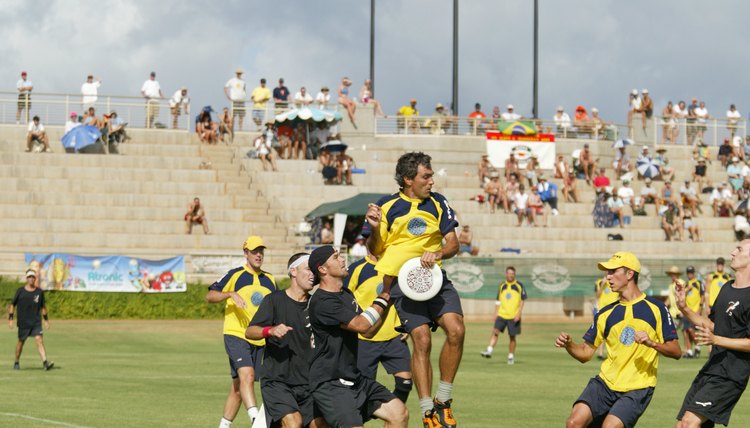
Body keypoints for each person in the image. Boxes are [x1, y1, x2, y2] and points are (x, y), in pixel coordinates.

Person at [365, 152, 463, 428]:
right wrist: (374, 229)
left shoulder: (438, 202)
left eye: (431, 176)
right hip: (400, 283)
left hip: (433, 278)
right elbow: (375, 250)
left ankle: (443, 402)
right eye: (426, 176)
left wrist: (438, 251)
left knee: (456, 330)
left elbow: (453, 245)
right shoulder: (386, 206)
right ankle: (427, 411)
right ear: (408, 179)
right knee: (421, 339)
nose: (432, 181)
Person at [555, 251, 680, 428]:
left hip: (637, 388)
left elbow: (676, 351)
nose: (608, 277)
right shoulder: (605, 313)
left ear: (630, 274)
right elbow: (585, 353)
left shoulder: (656, 309)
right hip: (605, 383)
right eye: (607, 272)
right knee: (573, 423)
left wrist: (651, 343)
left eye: (613, 271)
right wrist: (569, 344)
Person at [307, 246, 409, 428]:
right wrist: (385, 294)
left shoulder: (345, 295)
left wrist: (389, 301)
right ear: (322, 269)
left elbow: (368, 331)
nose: (342, 259)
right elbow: (362, 324)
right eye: (336, 257)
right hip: (332, 383)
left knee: (399, 413)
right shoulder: (322, 301)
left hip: (355, 378)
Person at [245, 253, 328, 428]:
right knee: (293, 422)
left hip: (309, 384)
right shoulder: (274, 300)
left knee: (320, 424)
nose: (313, 274)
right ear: (293, 271)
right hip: (277, 381)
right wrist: (270, 330)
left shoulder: (317, 306)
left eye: (314, 270)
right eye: (308, 269)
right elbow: (250, 331)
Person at [674, 240, 750, 427]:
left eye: (739, 249)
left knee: (688, 423)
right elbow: (712, 325)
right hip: (711, 368)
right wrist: (684, 308)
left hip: (731, 375)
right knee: (681, 424)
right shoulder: (726, 288)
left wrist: (716, 340)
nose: (732, 252)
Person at [206, 236, 277, 427]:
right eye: (254, 251)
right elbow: (210, 296)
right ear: (245, 253)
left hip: (259, 338)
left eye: (261, 251)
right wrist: (229, 294)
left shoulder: (269, 279)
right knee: (248, 375)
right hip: (236, 334)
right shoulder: (235, 275)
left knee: (238, 388)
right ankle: (256, 419)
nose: (258, 255)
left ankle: (223, 426)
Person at [344, 245, 414, 405]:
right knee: (362, 391)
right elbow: (343, 299)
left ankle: (394, 418)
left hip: (394, 337)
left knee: (405, 384)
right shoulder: (357, 269)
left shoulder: (399, 268)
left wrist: (406, 324)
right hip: (363, 340)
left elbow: (406, 298)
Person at [8, 269, 54, 371]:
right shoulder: (20, 291)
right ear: (26, 278)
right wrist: (10, 318)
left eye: (33, 277)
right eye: (29, 277)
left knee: (39, 340)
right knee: (21, 342)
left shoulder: (39, 292)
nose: (31, 279)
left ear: (35, 278)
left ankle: (45, 363)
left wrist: (46, 320)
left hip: (36, 322)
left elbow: (43, 307)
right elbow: (12, 305)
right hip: (23, 323)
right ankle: (16, 361)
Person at [481, 266, 526, 364]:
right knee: (495, 331)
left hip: (513, 316)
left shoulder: (519, 285)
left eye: (512, 274)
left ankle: (510, 356)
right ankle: (489, 350)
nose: (510, 275)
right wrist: (495, 313)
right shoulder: (502, 285)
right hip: (501, 314)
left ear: (514, 274)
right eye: (509, 273)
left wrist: (519, 313)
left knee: (512, 337)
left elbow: (522, 300)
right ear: (506, 274)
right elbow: (498, 301)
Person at [593, 274, 618, 360]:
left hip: (614, 310)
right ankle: (600, 353)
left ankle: (613, 353)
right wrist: (603, 284)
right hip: (602, 310)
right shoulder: (599, 283)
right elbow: (597, 295)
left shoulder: (617, 282)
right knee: (602, 332)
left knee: (613, 332)